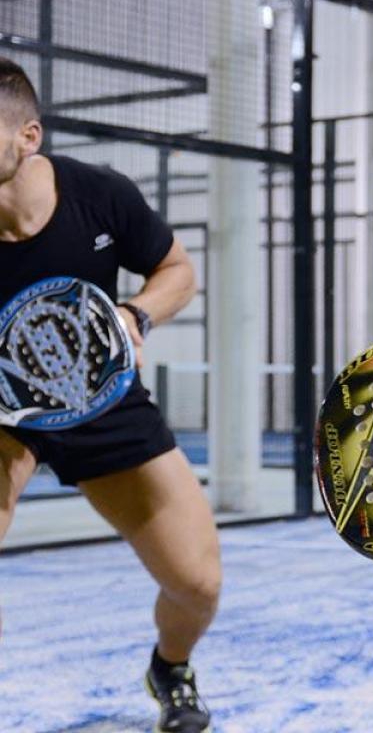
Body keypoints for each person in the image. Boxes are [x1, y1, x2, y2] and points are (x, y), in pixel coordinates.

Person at [0, 58, 214, 733]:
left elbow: (176, 270)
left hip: (102, 396)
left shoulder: (99, 195)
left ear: (28, 137)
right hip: (3, 409)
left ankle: (170, 668)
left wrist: (136, 314)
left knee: (197, 584)